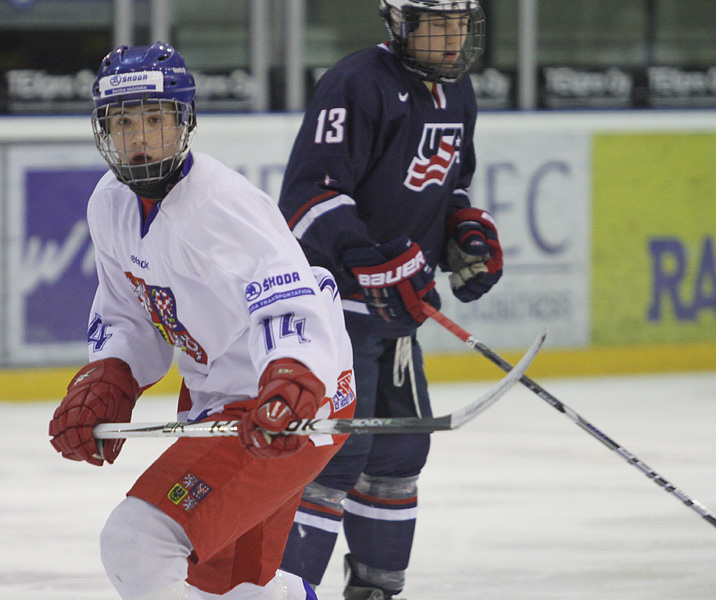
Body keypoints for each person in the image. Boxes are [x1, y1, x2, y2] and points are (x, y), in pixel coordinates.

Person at [47, 42, 357, 600]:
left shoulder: (221, 206)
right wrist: (112, 378)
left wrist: (291, 380)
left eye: (153, 120)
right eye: (123, 123)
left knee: (139, 544)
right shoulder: (109, 205)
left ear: (184, 122)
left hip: (291, 402)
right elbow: (129, 312)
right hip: (219, 404)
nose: (138, 139)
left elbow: (288, 301)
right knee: (229, 587)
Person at [276, 2, 502, 599]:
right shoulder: (356, 83)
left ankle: (375, 590)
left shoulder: (457, 93)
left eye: (462, 22)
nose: (455, 36)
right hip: (336, 317)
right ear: (400, 22)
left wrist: (464, 232)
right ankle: (286, 591)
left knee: (400, 455)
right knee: (333, 459)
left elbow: (450, 187)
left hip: (397, 323)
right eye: (439, 22)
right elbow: (305, 199)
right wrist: (368, 258)